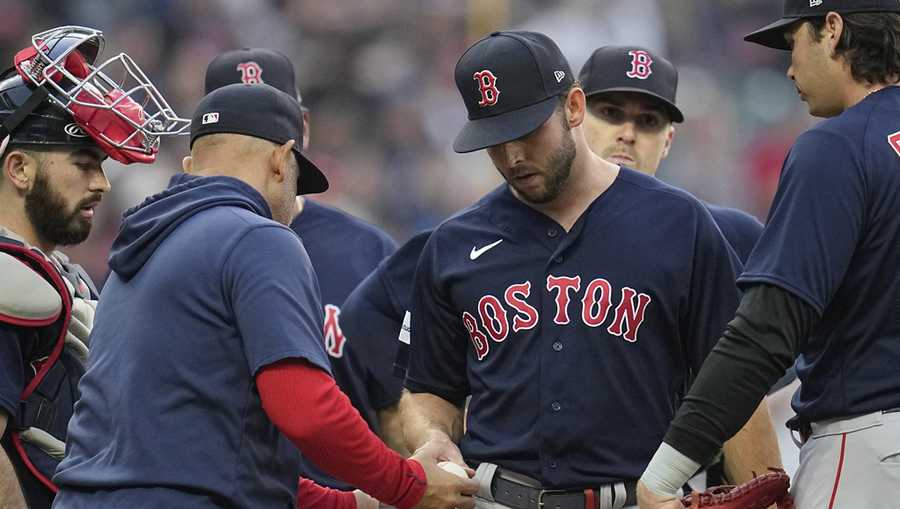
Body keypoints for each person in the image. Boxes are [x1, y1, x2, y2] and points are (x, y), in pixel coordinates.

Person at [400, 30, 779, 509]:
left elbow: (735, 383)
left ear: (574, 107)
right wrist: (430, 435)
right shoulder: (454, 244)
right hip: (499, 497)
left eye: (527, 132)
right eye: (495, 141)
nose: (513, 156)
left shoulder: (680, 224)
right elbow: (428, 387)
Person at [52, 83, 478, 508]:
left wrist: (355, 503)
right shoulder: (256, 237)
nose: (294, 199)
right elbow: (304, 408)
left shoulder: (140, 249)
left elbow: (206, 458)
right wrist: (407, 485)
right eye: (297, 180)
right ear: (280, 159)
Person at [637, 1, 900, 508]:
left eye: (794, 41)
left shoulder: (837, 148)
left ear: (832, 28)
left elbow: (766, 331)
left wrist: (667, 471)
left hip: (870, 455)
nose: (790, 66)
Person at [0, 25, 189, 509]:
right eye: (85, 163)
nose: (103, 184)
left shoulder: (59, 272)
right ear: (19, 169)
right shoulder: (7, 281)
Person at [204, 48, 406, 485]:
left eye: (271, 121)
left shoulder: (368, 251)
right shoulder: (178, 247)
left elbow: (396, 405)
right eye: (240, 127)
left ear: (303, 130)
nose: (257, 144)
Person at [578, 46, 764, 264]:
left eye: (648, 121)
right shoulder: (533, 227)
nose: (628, 134)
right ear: (574, 117)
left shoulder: (731, 237)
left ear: (667, 141)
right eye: (611, 113)